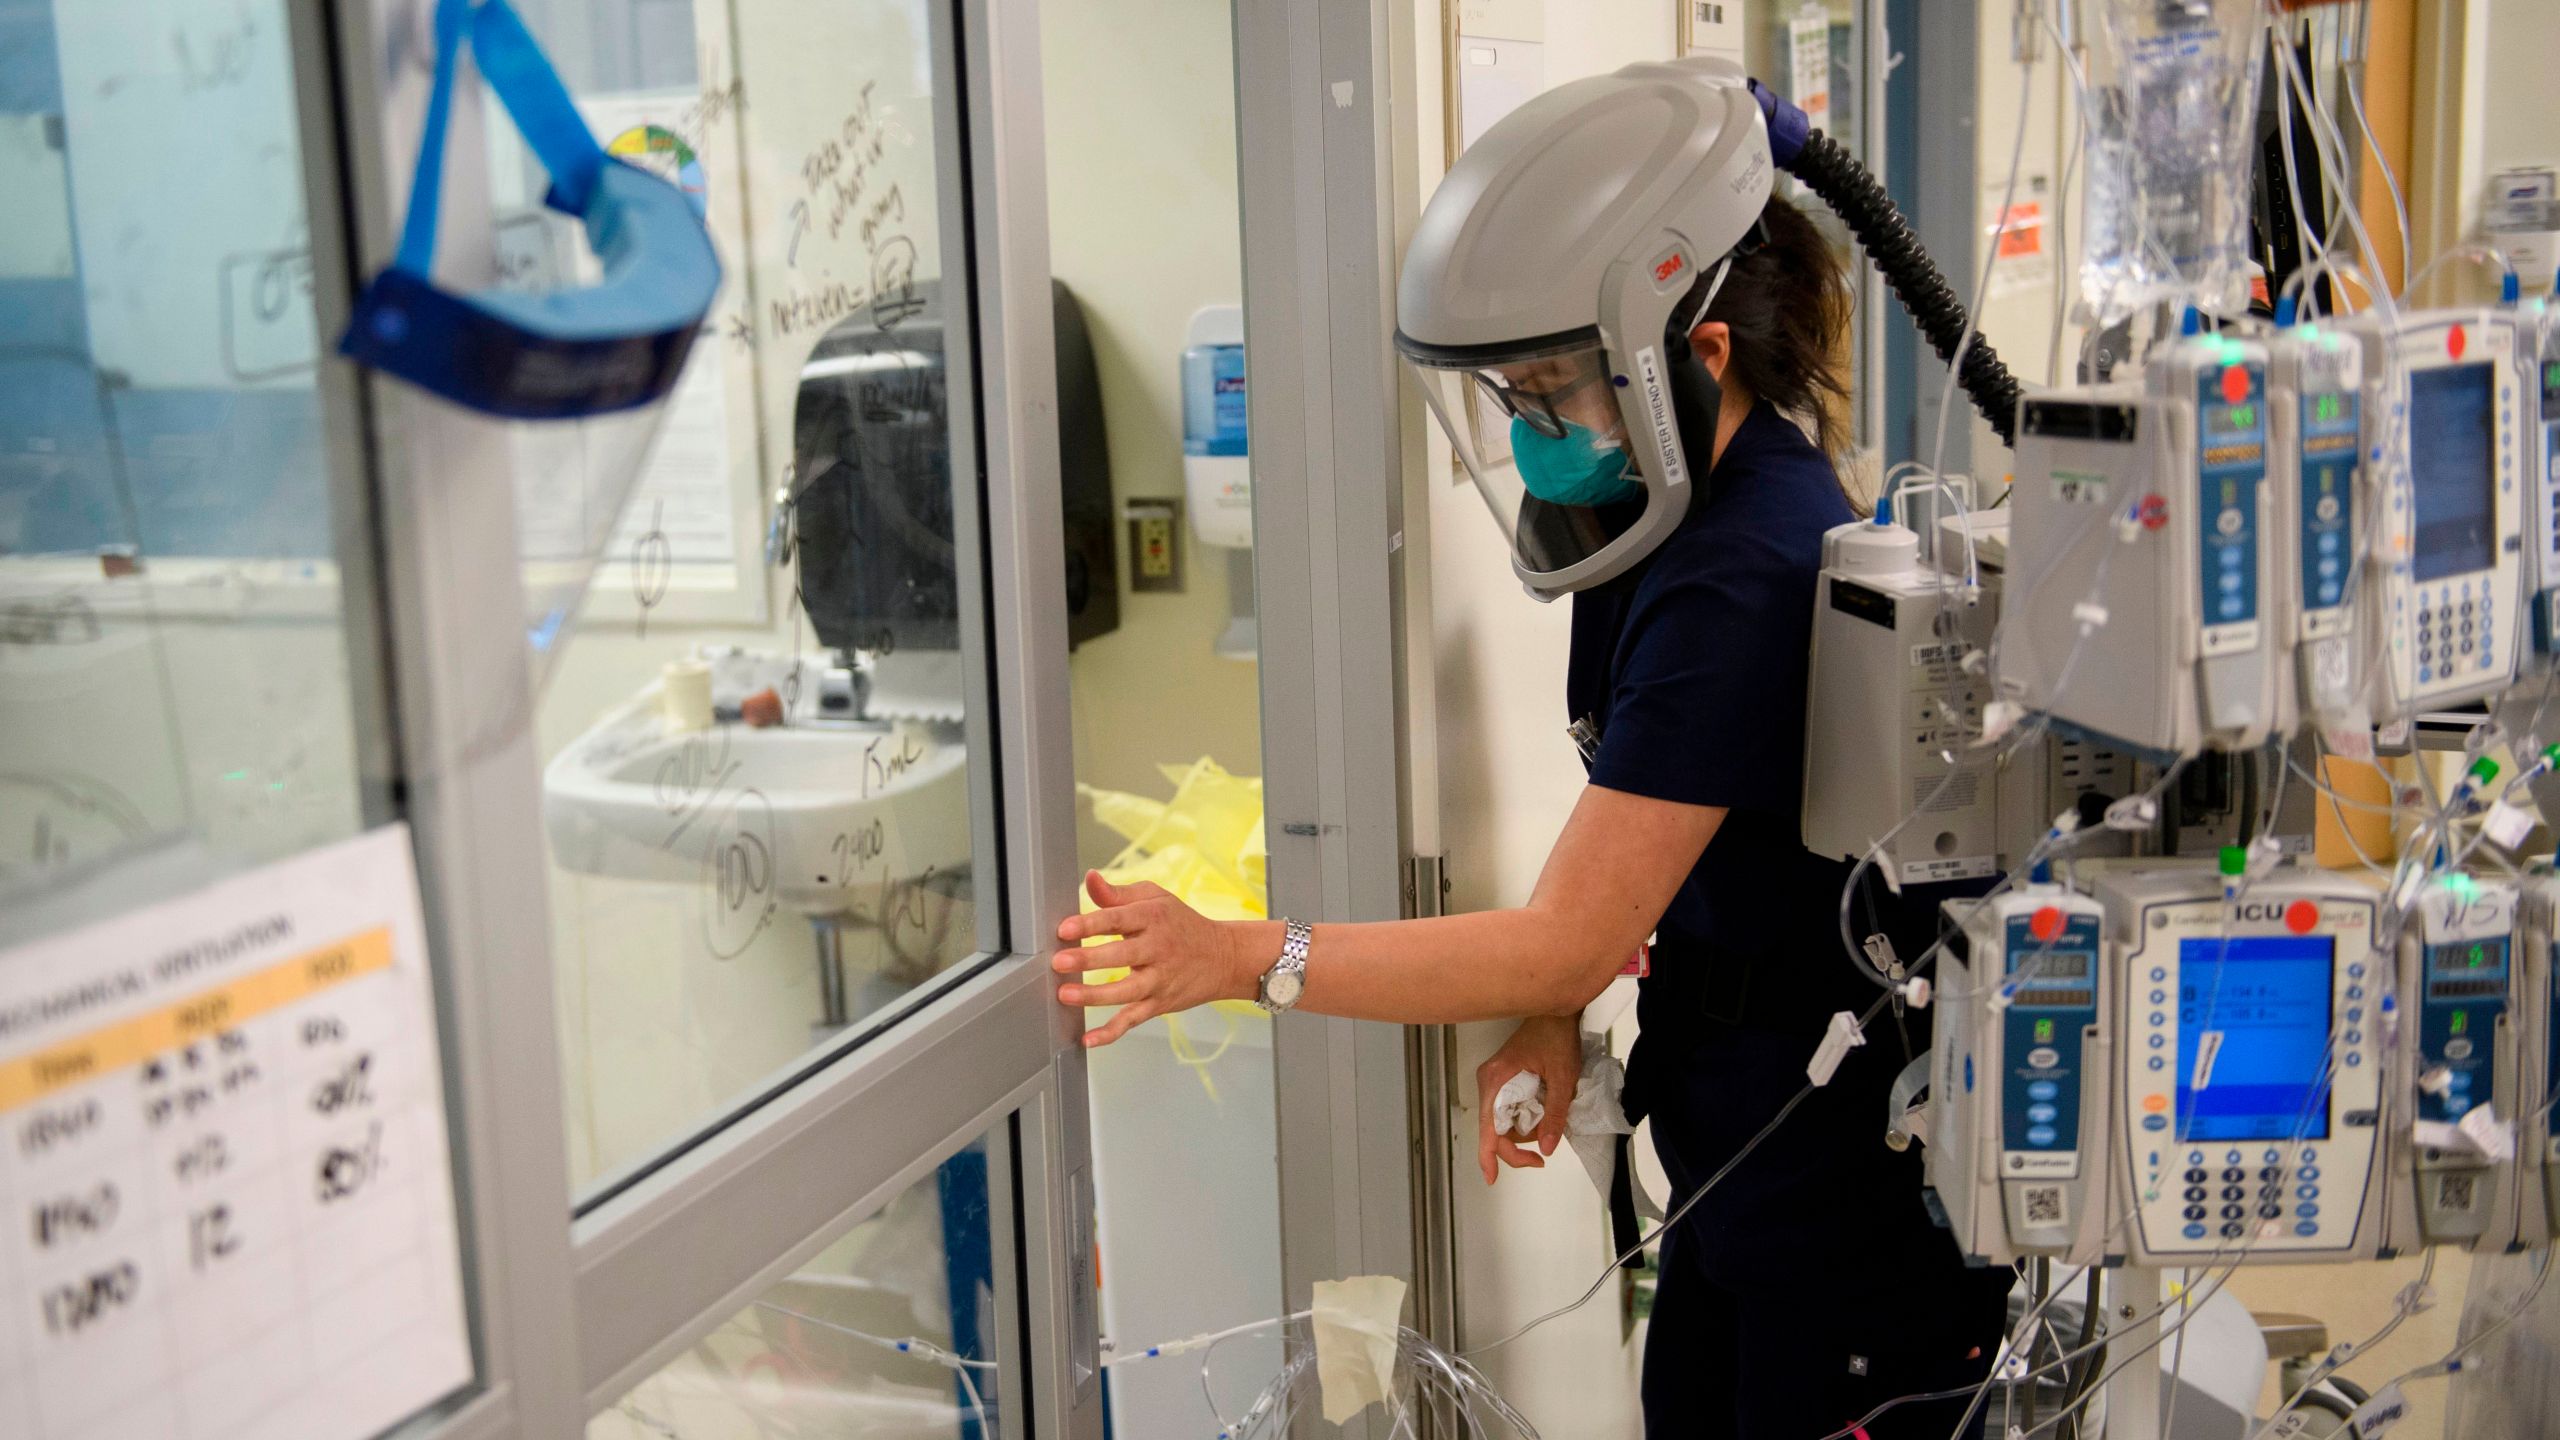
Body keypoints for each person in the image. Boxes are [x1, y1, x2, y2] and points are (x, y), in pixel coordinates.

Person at [1055, 60, 2015, 1439]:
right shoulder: (1653, 513)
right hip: (1738, 1160)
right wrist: (1557, 1020)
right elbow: (1637, 843)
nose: (1533, 427)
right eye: (1509, 395)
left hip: (1847, 1213)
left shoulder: (1748, 565)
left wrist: (1240, 954)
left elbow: (1570, 927)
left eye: (1553, 388)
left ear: (1697, 351)